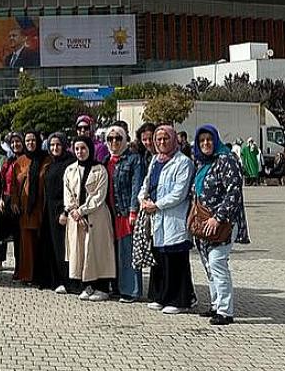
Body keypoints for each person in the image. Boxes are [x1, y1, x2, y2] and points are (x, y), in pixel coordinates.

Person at [191, 125, 247, 326]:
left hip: (222, 224)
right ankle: (216, 304)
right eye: (202, 140)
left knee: (217, 262)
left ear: (216, 140)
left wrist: (218, 218)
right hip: (203, 223)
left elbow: (234, 192)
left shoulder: (226, 160)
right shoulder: (202, 163)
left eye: (209, 139)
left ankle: (225, 310)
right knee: (208, 265)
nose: (206, 143)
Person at [138, 125, 196, 314]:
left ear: (174, 140)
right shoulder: (155, 160)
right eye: (159, 139)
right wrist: (143, 199)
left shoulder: (183, 162)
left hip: (174, 217)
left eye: (166, 139)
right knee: (160, 258)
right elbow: (146, 183)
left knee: (175, 260)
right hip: (156, 218)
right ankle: (160, 296)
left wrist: (157, 205)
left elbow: (179, 193)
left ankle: (179, 300)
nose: (162, 142)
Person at [62, 137, 115, 301]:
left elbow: (99, 195)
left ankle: (102, 288)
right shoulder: (70, 170)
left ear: (90, 149)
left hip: (96, 217)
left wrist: (83, 211)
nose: (80, 152)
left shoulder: (100, 169)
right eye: (77, 149)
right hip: (76, 219)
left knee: (97, 252)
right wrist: (74, 212)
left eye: (83, 148)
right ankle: (87, 286)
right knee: (81, 252)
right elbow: (67, 193)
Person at [105, 125, 145, 303]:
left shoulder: (134, 159)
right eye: (110, 139)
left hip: (125, 213)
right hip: (110, 214)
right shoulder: (107, 160)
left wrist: (133, 211)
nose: (114, 142)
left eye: (118, 138)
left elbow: (136, 186)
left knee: (128, 253)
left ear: (125, 140)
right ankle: (117, 286)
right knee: (115, 252)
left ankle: (131, 290)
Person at [10, 131, 50, 284]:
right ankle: (27, 275)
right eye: (28, 141)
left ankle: (41, 275)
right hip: (25, 209)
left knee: (41, 242)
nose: (31, 143)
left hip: (42, 207)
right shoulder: (20, 161)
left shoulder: (46, 160)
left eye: (33, 140)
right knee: (26, 243)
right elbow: (14, 184)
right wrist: (14, 201)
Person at [39, 132, 73, 294]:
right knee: (51, 246)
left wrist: (66, 211)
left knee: (63, 247)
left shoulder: (70, 163)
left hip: (62, 209)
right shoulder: (51, 163)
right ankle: (54, 279)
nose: (55, 148)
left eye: (58, 145)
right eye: (52, 145)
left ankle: (67, 281)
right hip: (50, 210)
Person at [0, 132, 23, 275]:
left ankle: (20, 267)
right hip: (6, 201)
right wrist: (0, 199)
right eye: (12, 143)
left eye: (18, 141)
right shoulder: (8, 161)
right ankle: (0, 261)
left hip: (21, 203)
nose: (15, 145)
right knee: (4, 236)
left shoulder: (27, 160)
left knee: (20, 238)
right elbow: (1, 181)